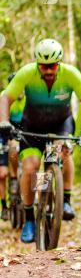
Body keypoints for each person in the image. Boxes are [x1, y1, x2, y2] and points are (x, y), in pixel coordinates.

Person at [0, 39, 81, 243]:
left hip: (60, 125)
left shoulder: (71, 74)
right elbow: (5, 98)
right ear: (37, 64)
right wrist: (4, 121)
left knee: (63, 150)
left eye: (52, 66)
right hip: (32, 127)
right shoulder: (26, 72)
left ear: (59, 63)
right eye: (44, 66)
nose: (48, 71)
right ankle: (29, 218)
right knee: (31, 167)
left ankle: (66, 201)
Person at [0, 73, 25, 221]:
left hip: (27, 131)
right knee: (2, 173)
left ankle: (45, 198)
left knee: (39, 167)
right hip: (5, 134)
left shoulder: (32, 97)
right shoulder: (4, 98)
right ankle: (4, 205)